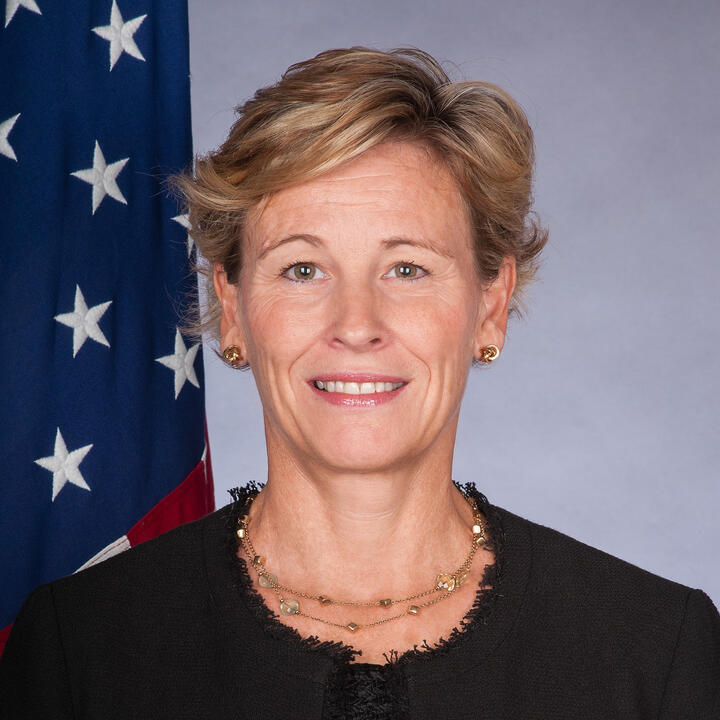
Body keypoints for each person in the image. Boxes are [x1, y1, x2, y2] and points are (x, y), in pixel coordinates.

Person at [1, 46, 718, 720]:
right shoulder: (80, 647)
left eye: (407, 268)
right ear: (233, 309)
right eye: (302, 269)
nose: (356, 323)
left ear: (489, 306)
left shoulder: (657, 652)